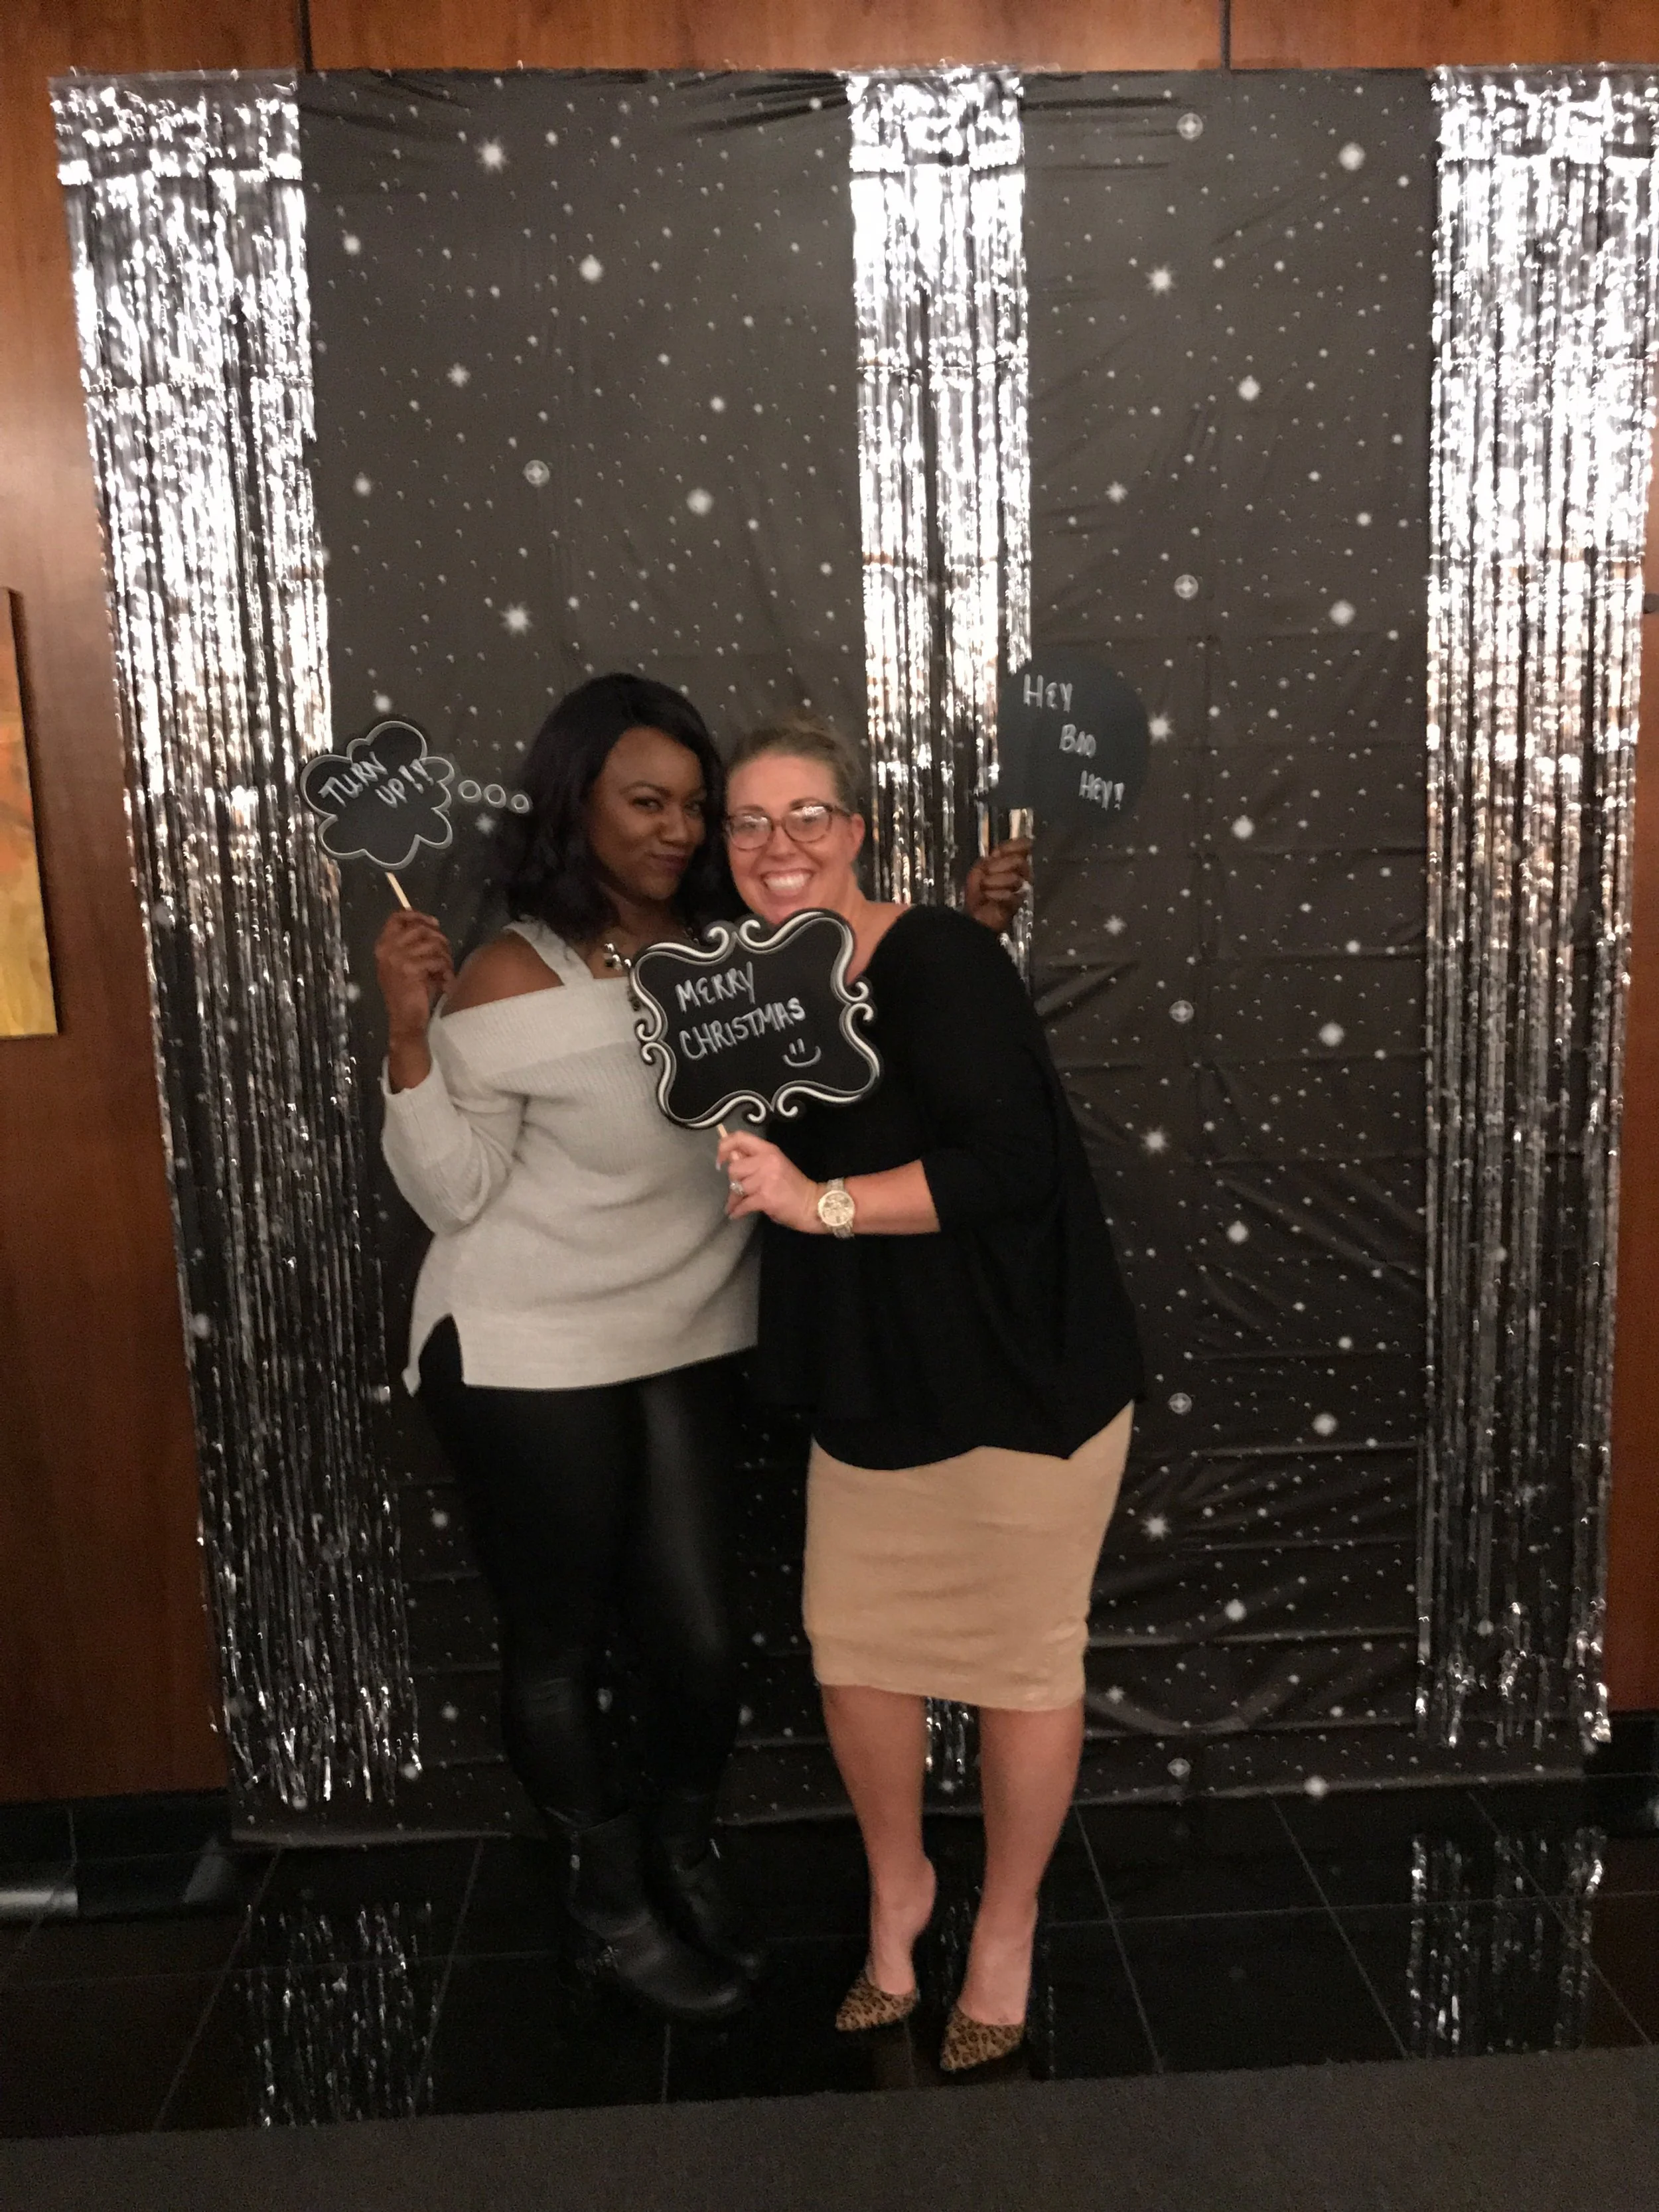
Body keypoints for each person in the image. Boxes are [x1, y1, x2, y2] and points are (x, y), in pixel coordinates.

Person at [374, 674, 1029, 2028]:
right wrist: (403, 1035)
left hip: (687, 1330)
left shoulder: (749, 944)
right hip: (522, 1335)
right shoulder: (506, 969)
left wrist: (963, 933)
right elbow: (449, 1193)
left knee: (699, 1642)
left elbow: (875, 1051)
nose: (675, 830)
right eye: (644, 802)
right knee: (557, 1637)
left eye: (692, 804)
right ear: (575, 804)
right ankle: (606, 1902)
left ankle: (677, 1844)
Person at [715, 713, 1143, 2074]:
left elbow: (1010, 1164)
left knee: (1020, 1668)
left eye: (804, 818)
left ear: (853, 831)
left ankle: (1003, 1925)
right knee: (856, 1656)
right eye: (747, 825)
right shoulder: (759, 987)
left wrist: (812, 1198)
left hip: (1019, 1369)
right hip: (872, 1370)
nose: (774, 848)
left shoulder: (940, 957)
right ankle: (898, 1893)